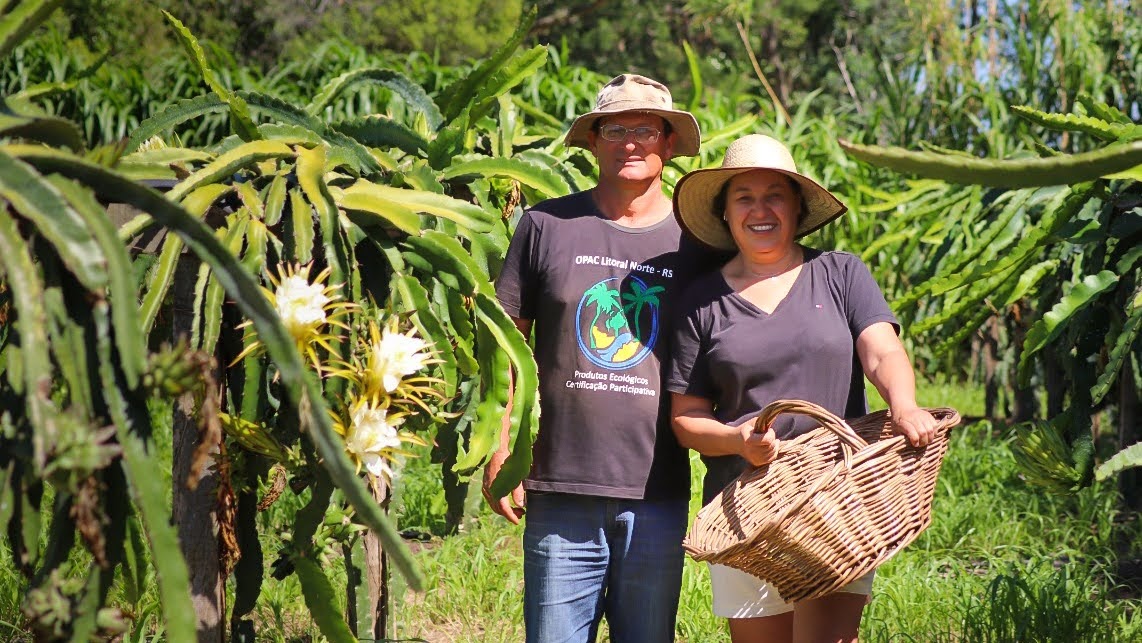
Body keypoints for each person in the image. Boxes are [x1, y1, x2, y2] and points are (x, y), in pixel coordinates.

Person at [666, 134, 939, 643]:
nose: (760, 209)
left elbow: (881, 351)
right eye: (744, 197)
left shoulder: (838, 273)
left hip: (835, 497)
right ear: (725, 213)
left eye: (775, 195)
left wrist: (902, 405)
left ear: (796, 206)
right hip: (744, 509)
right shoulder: (701, 301)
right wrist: (737, 441)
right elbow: (687, 418)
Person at [483, 74, 725, 643]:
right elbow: (507, 349)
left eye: (646, 129)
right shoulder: (547, 225)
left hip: (656, 491)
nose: (631, 142)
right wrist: (501, 446)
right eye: (616, 128)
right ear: (593, 141)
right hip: (558, 486)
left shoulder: (698, 244)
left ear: (668, 143)